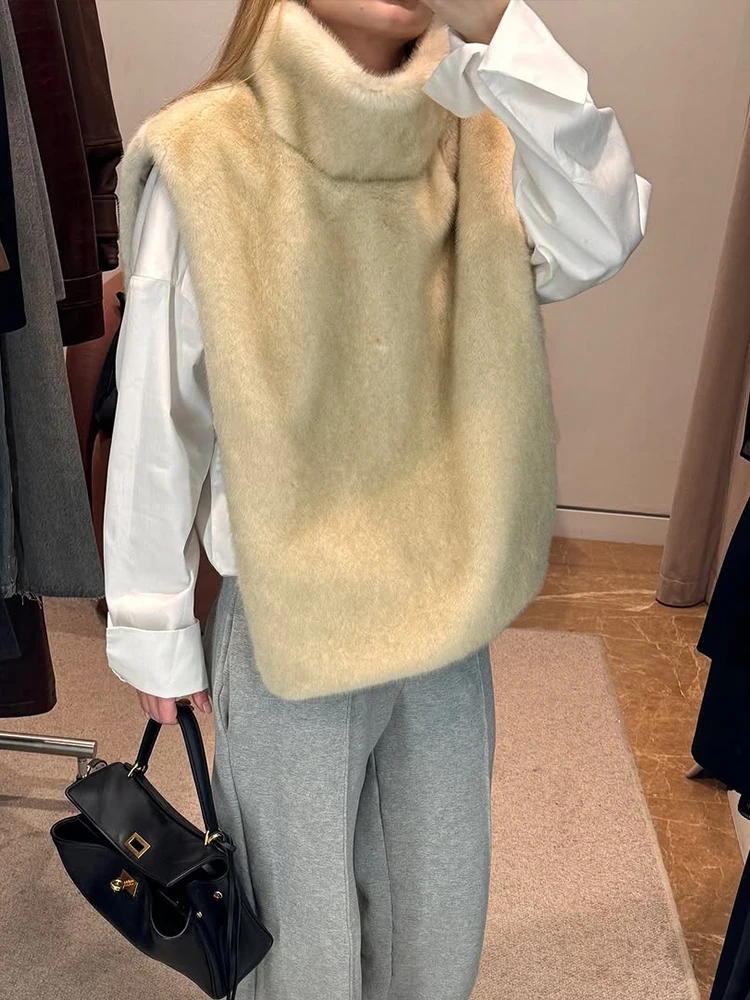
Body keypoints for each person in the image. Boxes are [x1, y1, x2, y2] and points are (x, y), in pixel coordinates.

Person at [105, 0, 650, 997]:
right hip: (293, 623)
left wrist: (502, 29)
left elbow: (605, 229)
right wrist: (153, 621)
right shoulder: (210, 151)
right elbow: (160, 409)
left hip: (447, 609)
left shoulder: (485, 132)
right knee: (298, 938)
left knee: (438, 914)